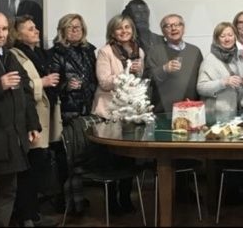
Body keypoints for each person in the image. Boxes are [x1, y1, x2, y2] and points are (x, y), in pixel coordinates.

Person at [0, 10, 40, 227]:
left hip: (13, 141)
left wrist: (32, 124)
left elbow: (26, 92)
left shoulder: (10, 56)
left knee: (7, 194)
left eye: (4, 29)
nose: (1, 34)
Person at [9, 15, 61, 227]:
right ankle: (27, 217)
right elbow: (20, 87)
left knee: (38, 167)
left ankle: (34, 214)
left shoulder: (39, 53)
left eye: (36, 27)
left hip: (45, 116)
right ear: (17, 33)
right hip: (30, 119)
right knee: (28, 170)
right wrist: (43, 82)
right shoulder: (14, 54)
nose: (36, 31)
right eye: (30, 28)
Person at [92, 14, 145, 213]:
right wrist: (127, 72)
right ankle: (111, 203)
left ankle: (125, 197)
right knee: (111, 160)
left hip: (130, 112)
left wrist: (139, 72)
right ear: (112, 32)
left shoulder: (139, 51)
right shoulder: (105, 52)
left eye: (127, 27)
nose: (124, 31)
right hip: (109, 112)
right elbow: (104, 82)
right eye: (119, 28)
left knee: (128, 159)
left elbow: (138, 81)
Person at [48, 13, 98, 216]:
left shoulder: (90, 50)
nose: (75, 30)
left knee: (81, 157)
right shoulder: (55, 53)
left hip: (87, 110)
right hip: (66, 112)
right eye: (70, 27)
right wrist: (66, 86)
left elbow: (96, 80)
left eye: (78, 26)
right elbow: (51, 84)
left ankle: (78, 200)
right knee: (65, 159)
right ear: (62, 31)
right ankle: (64, 201)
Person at [145, 14, 203, 114]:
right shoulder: (154, 51)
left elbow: (201, 80)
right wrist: (164, 69)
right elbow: (147, 78)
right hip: (164, 111)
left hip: (191, 108)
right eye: (168, 26)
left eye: (177, 25)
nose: (173, 28)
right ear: (163, 31)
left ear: (183, 28)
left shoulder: (195, 51)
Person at [197, 22, 243, 122]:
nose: (227, 39)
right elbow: (200, 88)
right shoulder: (210, 60)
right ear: (216, 39)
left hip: (239, 112)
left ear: (235, 37)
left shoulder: (239, 55)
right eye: (222, 36)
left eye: (230, 35)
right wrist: (223, 82)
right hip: (217, 116)